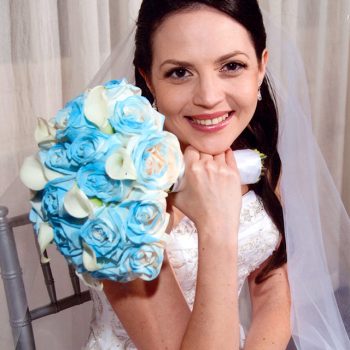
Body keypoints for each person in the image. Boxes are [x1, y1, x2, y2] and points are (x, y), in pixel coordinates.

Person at [83, 1, 350, 349]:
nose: (209, 97)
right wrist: (216, 224)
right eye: (179, 72)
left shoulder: (253, 151)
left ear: (260, 69)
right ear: (149, 80)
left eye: (232, 66)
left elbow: (272, 286)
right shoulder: (114, 190)